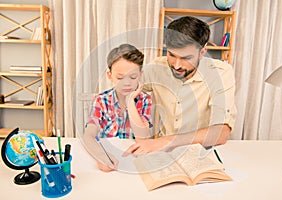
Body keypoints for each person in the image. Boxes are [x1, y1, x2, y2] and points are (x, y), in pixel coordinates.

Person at [124, 16, 237, 156]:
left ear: (202, 52)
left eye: (186, 58)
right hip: (164, 153)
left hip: (204, 152)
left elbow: (221, 132)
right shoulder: (156, 68)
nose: (177, 65)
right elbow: (125, 85)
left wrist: (164, 142)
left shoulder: (221, 73)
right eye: (171, 54)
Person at [83, 44, 152, 172]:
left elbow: (141, 137)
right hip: (110, 156)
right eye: (120, 77)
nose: (127, 83)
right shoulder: (101, 100)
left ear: (140, 75)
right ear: (110, 75)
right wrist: (101, 156)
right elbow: (88, 135)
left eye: (133, 77)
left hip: (134, 161)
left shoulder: (145, 100)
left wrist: (130, 101)